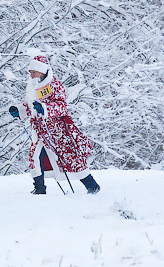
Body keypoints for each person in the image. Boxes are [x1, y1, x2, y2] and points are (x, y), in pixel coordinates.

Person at [9, 55, 100, 195]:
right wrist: (20, 110)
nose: (31, 75)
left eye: (33, 71)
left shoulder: (54, 85)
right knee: (35, 156)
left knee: (70, 157)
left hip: (57, 130)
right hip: (38, 130)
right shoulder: (33, 86)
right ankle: (39, 189)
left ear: (41, 71)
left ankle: (92, 186)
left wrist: (45, 108)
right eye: (30, 72)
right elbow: (32, 106)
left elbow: (61, 106)